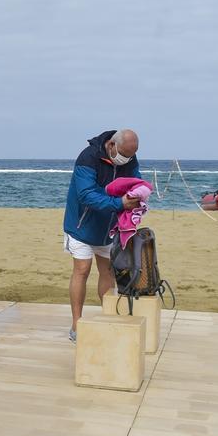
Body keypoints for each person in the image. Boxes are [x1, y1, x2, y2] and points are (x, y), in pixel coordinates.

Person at [61, 129, 142, 342]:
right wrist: (119, 203)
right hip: (80, 225)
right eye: (123, 155)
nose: (125, 160)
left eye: (130, 157)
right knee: (82, 269)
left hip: (108, 228)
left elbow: (136, 182)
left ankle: (109, 318)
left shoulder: (129, 159)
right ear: (112, 145)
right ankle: (76, 325)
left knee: (107, 271)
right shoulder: (88, 157)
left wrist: (139, 195)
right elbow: (86, 195)